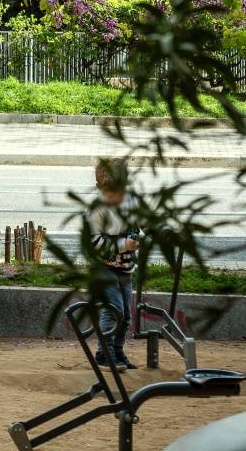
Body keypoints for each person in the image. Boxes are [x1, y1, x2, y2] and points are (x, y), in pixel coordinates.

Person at [88, 158, 142, 371]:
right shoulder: (98, 209)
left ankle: (117, 352)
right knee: (112, 311)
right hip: (103, 268)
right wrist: (123, 244)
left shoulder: (130, 201)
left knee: (126, 315)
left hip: (125, 267)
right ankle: (104, 354)